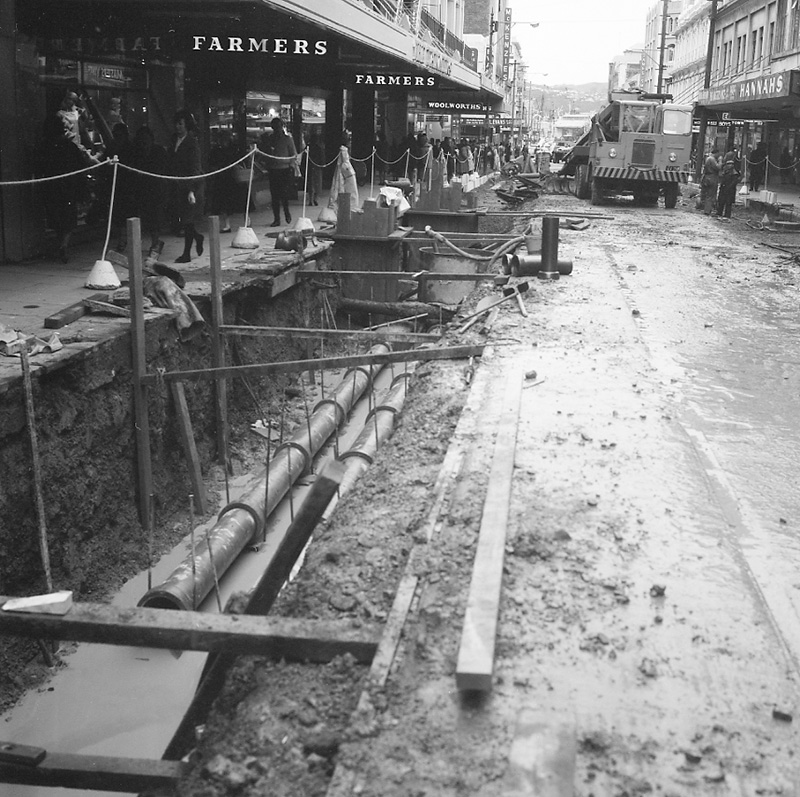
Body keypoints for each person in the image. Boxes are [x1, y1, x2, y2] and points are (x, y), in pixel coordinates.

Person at [34, 114, 99, 262]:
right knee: (68, 217)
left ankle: (61, 244)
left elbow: (39, 166)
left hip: (52, 187)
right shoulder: (69, 146)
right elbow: (81, 165)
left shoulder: (45, 146)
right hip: (68, 187)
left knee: (56, 216)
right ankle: (63, 244)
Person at [169, 110, 205, 263]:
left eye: (181, 124)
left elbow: (195, 167)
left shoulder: (192, 142)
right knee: (182, 219)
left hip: (192, 184)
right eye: (176, 124)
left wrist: (191, 190)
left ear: (186, 125)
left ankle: (186, 253)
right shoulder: (173, 140)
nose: (178, 127)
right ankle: (197, 237)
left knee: (188, 219)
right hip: (177, 185)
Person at [129, 125, 168, 253]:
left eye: (146, 139)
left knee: (155, 216)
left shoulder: (159, 151)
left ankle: (155, 242)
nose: (144, 143)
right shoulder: (136, 152)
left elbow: (162, 168)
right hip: (142, 189)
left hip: (156, 188)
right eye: (142, 140)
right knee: (142, 215)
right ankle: (139, 242)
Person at [260, 116, 297, 227]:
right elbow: (265, 153)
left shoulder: (287, 139)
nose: (277, 129)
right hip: (273, 170)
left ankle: (286, 212)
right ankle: (277, 218)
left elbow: (293, 154)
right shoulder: (270, 139)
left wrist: (290, 165)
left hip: (284, 169)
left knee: (284, 193)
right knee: (274, 195)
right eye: (275, 127)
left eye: (278, 126)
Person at [208, 130, 239, 232]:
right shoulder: (217, 149)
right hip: (221, 177)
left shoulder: (232, 148)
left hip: (230, 177)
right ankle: (226, 224)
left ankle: (245, 220)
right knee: (221, 202)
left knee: (233, 201)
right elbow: (211, 161)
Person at [327, 129, 359, 214]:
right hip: (345, 172)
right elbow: (345, 163)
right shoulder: (344, 150)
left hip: (343, 171)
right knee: (345, 189)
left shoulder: (344, 149)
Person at [716, 151, 740, 220]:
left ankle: (727, 215)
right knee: (721, 201)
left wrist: (728, 187)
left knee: (728, 203)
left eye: (730, 165)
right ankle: (719, 212)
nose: (729, 166)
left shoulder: (734, 173)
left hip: (730, 190)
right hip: (724, 188)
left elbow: (734, 182)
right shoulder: (725, 171)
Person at [699, 147, 720, 215]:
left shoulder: (707, 158)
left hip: (707, 177)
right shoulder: (712, 159)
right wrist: (720, 161)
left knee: (706, 194)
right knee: (710, 194)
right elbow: (717, 167)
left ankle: (705, 208)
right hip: (712, 177)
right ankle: (707, 210)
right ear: (716, 153)